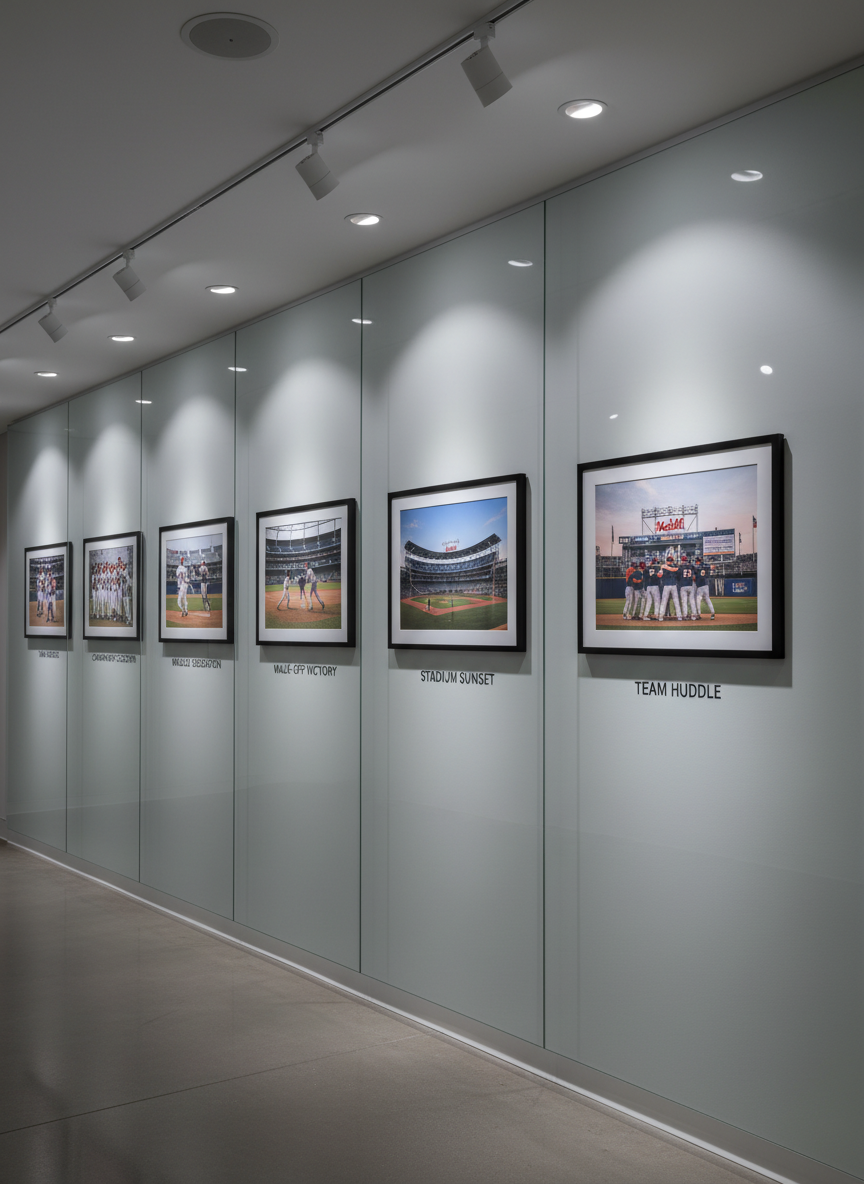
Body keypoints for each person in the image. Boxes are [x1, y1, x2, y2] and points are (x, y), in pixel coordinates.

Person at [658, 552, 683, 621]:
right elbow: (678, 574)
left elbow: (659, 575)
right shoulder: (675, 567)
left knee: (664, 601)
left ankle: (661, 616)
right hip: (673, 585)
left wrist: (663, 568)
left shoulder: (663, 567)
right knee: (676, 601)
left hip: (666, 585)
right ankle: (679, 616)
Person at [693, 554, 716, 621]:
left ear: (697, 561)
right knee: (707, 599)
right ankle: (712, 612)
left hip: (700, 585)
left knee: (698, 600)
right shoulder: (706, 565)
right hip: (706, 585)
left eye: (696, 561)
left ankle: (698, 614)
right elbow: (713, 567)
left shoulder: (695, 567)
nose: (696, 562)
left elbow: (694, 578)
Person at [641, 555, 662, 620]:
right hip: (655, 586)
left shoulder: (646, 568)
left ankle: (645, 615)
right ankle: (656, 615)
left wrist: (645, 587)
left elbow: (644, 578)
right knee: (657, 601)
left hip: (648, 587)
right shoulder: (657, 568)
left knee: (649, 602)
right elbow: (659, 576)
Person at [678, 553, 697, 621]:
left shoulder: (680, 567)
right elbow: (696, 572)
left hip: (683, 585)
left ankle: (685, 615)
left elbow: (678, 576)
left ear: (682, 561)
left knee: (684, 602)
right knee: (692, 601)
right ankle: (694, 615)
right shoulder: (691, 566)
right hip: (690, 585)